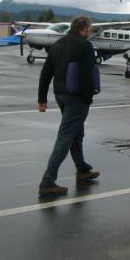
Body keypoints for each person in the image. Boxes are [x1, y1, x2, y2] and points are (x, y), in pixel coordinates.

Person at [38, 16, 100, 197]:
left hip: (60, 95)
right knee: (65, 136)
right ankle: (47, 181)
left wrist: (42, 98)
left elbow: (46, 72)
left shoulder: (57, 44)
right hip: (77, 97)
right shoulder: (85, 46)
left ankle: (82, 170)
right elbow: (88, 75)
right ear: (85, 29)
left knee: (76, 133)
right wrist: (88, 98)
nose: (90, 32)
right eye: (90, 29)